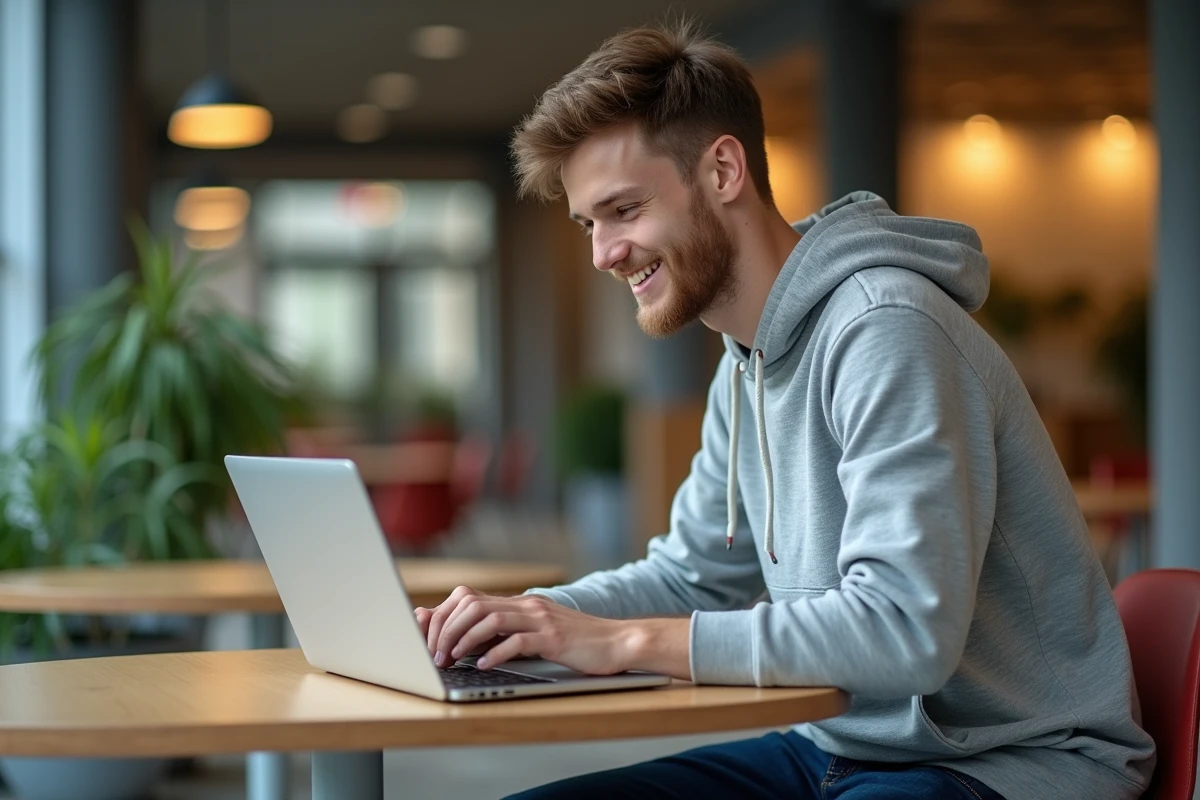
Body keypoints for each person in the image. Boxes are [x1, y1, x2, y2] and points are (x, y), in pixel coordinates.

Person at [414, 21, 1155, 800]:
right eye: (589, 223)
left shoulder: (887, 328)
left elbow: (904, 631)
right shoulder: (745, 364)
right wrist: (529, 617)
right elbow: (694, 576)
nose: (603, 252)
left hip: (1013, 761)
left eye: (624, 210)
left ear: (724, 170)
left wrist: (622, 642)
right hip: (842, 748)